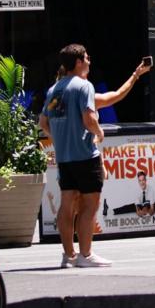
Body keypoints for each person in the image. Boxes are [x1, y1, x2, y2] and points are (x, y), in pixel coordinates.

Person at [39, 44, 110, 269]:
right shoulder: (84, 86)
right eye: (87, 58)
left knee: (67, 203)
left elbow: (43, 123)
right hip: (84, 154)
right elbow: (89, 118)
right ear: (78, 62)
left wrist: (59, 137)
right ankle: (85, 255)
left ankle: (68, 255)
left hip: (65, 157)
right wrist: (99, 133)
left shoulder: (54, 90)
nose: (89, 61)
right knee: (90, 204)